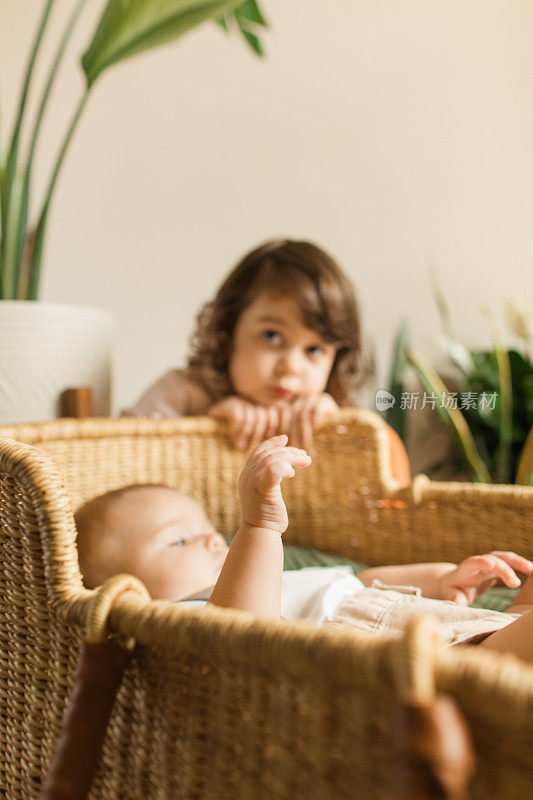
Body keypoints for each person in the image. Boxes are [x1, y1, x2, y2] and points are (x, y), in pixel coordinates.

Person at [75, 436, 533, 663]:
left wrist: (439, 577)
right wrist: (259, 525)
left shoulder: (282, 579)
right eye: (180, 539)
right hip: (430, 659)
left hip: (452, 625)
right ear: (132, 594)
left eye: (209, 527)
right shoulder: (186, 617)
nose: (216, 540)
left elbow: (363, 582)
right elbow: (241, 632)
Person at [123, 239, 410, 483]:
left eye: (314, 350)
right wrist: (207, 422)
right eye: (272, 336)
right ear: (229, 330)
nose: (292, 367)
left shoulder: (319, 412)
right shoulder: (185, 391)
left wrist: (334, 425)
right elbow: (121, 459)